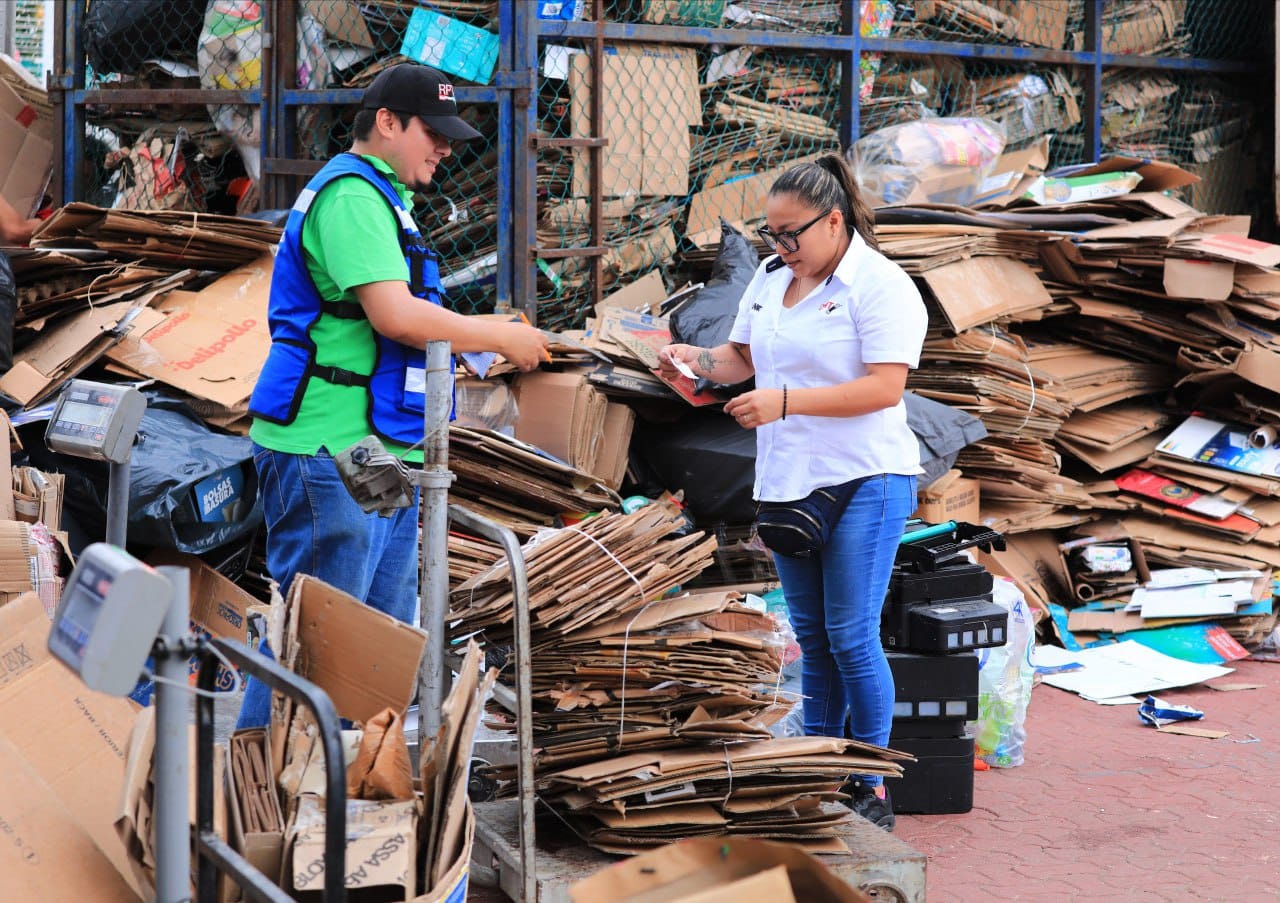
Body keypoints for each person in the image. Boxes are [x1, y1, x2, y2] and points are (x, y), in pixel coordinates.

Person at [659, 154, 926, 831]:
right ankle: (819, 767)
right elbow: (739, 360)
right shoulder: (773, 278)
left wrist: (784, 401)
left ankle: (870, 778)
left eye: (791, 234)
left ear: (834, 222)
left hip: (867, 474)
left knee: (852, 635)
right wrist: (692, 361)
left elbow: (884, 387)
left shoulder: (881, 285)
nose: (779, 248)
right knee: (812, 635)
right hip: (792, 480)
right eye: (770, 235)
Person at [247, 63, 549, 624]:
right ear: (387, 122)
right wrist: (497, 335)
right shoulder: (353, 198)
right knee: (319, 644)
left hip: (373, 450)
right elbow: (396, 317)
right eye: (432, 134)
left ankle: (360, 721)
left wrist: (488, 335)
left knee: (371, 648)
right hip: (330, 446)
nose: (444, 150)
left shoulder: (384, 199)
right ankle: (275, 720)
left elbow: (404, 314)